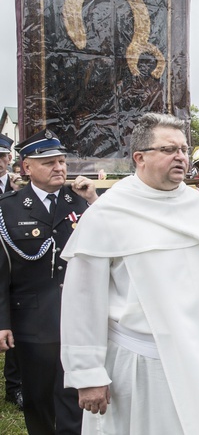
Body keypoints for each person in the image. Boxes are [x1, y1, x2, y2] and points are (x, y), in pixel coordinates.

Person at [59, 113, 199, 434]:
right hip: (141, 361)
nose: (181, 156)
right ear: (140, 157)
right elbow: (82, 300)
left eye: (183, 149)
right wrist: (87, 373)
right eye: (168, 149)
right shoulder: (108, 213)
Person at [0, 130, 98, 434]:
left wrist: (94, 200)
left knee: (74, 395)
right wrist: (3, 322)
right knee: (38, 398)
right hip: (33, 319)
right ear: (26, 167)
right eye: (49, 162)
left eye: (62, 161)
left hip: (78, 316)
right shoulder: (9, 207)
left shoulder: (80, 201)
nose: (59, 168)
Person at [0, 134, 22, 411]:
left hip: (12, 260)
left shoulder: (19, 189)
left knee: (16, 324)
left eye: (2, 157)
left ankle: (14, 387)